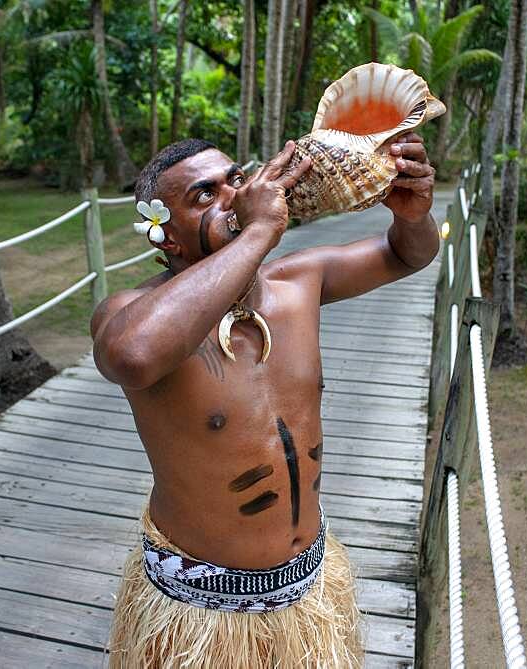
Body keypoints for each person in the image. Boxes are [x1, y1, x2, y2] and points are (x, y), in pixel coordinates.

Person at [91, 135, 438, 668]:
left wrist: (412, 216)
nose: (234, 195)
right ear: (169, 240)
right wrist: (257, 230)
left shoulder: (299, 280)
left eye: (235, 179)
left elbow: (404, 253)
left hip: (307, 592)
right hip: (197, 616)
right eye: (204, 196)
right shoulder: (132, 312)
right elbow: (133, 357)